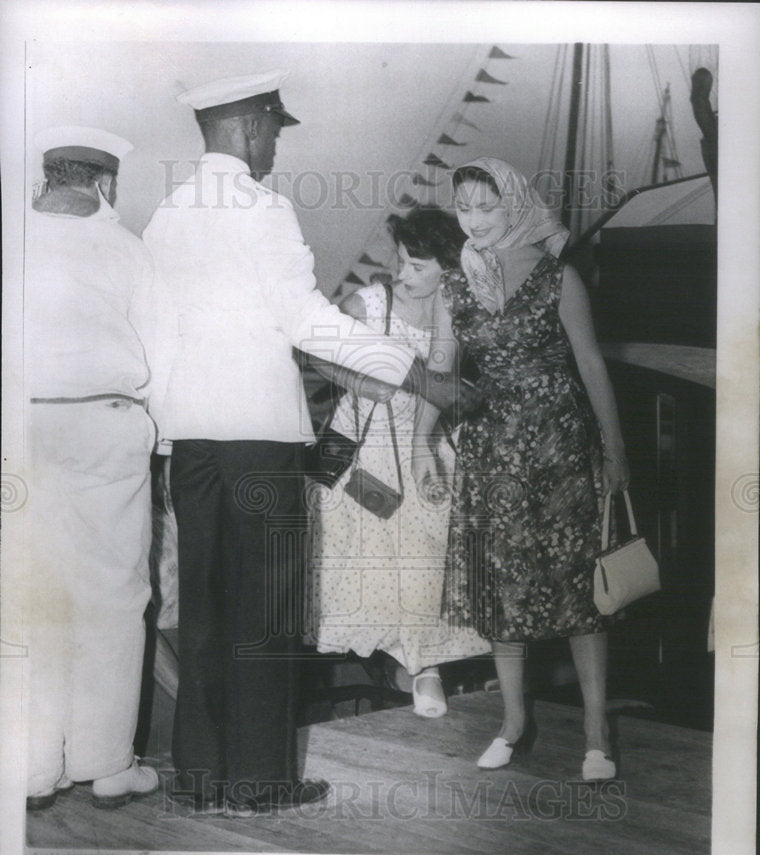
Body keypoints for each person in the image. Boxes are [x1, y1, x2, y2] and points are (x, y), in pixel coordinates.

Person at [143, 73, 472, 815]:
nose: (277, 147)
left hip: (189, 439)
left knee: (202, 609)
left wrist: (168, 430)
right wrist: (416, 372)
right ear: (252, 127)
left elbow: (153, 331)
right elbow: (308, 322)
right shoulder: (265, 209)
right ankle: (261, 780)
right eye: (276, 132)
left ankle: (199, 777)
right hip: (259, 435)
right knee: (264, 611)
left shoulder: (166, 214)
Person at [413, 158, 630, 781]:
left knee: (579, 589)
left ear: (513, 207)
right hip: (488, 452)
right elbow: (443, 375)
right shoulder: (454, 286)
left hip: (560, 443)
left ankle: (596, 732)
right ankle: (513, 722)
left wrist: (615, 451)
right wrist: (422, 445)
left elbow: (592, 367)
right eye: (466, 209)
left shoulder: (559, 276)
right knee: (500, 592)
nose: (475, 221)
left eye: (487, 207)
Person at [309, 208, 490, 717]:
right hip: (362, 449)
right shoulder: (370, 303)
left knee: (435, 547)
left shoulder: (455, 308)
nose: (404, 275)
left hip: (425, 442)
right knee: (384, 552)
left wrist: (427, 444)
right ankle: (418, 665)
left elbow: (444, 378)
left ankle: (424, 660)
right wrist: (362, 384)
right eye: (403, 262)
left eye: (417, 267)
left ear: (449, 270)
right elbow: (313, 350)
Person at [25, 126, 159, 810]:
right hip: (105, 423)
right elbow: (159, 351)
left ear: (47, 180)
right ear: (104, 185)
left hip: (18, 424)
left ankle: (28, 769)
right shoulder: (126, 247)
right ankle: (107, 765)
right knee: (110, 595)